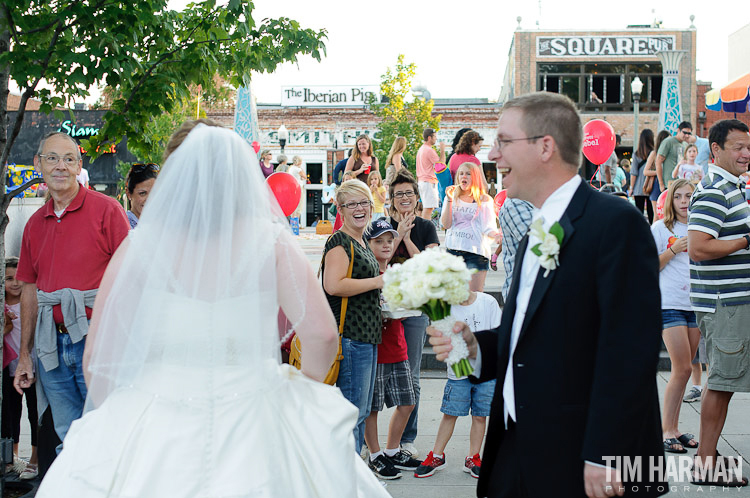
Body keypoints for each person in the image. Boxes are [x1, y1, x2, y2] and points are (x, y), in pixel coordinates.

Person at [35, 120, 390, 497]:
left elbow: (97, 357)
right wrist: (300, 398)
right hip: (254, 414)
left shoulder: (139, 248)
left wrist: (120, 420)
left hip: (158, 417)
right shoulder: (271, 242)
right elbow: (321, 335)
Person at [427, 92, 665, 498]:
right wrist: (475, 349)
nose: (494, 157)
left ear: (545, 147)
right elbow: (530, 337)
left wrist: (605, 453)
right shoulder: (537, 231)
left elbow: (631, 350)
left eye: (504, 142)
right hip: (517, 452)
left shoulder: (615, 224)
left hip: (579, 458)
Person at [14, 131, 130, 461]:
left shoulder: (108, 210)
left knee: (106, 434)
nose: (60, 166)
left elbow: (131, 280)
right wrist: (25, 354)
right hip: (52, 345)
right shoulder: (34, 223)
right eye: (52, 158)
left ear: (79, 165)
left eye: (68, 159)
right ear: (38, 164)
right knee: (68, 439)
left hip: (98, 341)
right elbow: (30, 289)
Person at [687, 119, 750, 487]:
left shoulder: (731, 187)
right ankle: (705, 464)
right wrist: (745, 241)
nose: (745, 153)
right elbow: (697, 247)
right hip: (725, 305)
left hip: (730, 303)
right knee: (722, 383)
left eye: (748, 147)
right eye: (738, 147)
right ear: (716, 150)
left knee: (723, 382)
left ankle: (707, 457)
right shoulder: (714, 190)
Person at [323, 179, 383, 455]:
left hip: (366, 336)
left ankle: (354, 477)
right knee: (353, 415)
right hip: (351, 337)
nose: (359, 209)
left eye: (364, 203)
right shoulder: (340, 241)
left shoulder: (359, 239)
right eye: (352, 204)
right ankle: (347, 480)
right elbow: (333, 285)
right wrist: (377, 283)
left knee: (359, 412)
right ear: (341, 209)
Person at [414, 290, 500, 480]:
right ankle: (437, 455)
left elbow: (497, 334)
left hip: (486, 371)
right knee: (450, 413)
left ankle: (473, 457)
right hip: (458, 372)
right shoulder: (445, 308)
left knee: (480, 416)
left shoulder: (488, 302)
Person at [363, 219, 421, 480]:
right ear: (369, 243)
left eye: (389, 240)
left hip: (398, 345)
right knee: (372, 407)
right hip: (375, 349)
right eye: (379, 241)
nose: (385, 245)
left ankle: (392, 450)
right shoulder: (366, 273)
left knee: (408, 402)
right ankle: (374, 455)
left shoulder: (396, 272)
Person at [386, 170, 439, 457]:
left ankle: (407, 438)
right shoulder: (382, 225)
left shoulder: (427, 227)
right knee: (380, 377)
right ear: (392, 200)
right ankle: (377, 444)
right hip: (387, 312)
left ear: (417, 197)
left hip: (416, 310)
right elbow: (380, 260)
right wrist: (396, 234)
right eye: (399, 194)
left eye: (409, 193)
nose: (404, 198)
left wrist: (406, 237)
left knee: (413, 376)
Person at [651, 179, 700, 454]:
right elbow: (646, 265)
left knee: (684, 370)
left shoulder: (702, 227)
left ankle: (674, 428)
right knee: (680, 368)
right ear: (671, 201)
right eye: (678, 196)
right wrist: (672, 250)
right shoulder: (661, 228)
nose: (684, 201)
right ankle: (665, 430)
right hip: (669, 303)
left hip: (695, 303)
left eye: (689, 196)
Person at [2, 258, 38, 480]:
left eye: (19, 278)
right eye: (8, 278)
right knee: (10, 414)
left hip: (33, 368)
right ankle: (12, 458)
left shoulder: (32, 304)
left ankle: (35, 458)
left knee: (35, 413)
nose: (15, 283)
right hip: (9, 369)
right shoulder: (3, 308)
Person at [440, 162, 500, 292]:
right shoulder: (451, 197)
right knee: (454, 297)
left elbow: (488, 227)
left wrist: (496, 236)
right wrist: (449, 200)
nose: (464, 176)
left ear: (475, 177)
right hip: (453, 252)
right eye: (461, 173)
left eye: (468, 173)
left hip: (475, 254)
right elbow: (446, 224)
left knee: (474, 298)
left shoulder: (484, 200)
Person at [415, 128, 446, 220]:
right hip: (429, 182)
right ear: (429, 137)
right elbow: (441, 166)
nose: (436, 139)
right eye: (435, 137)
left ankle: (423, 229)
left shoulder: (421, 149)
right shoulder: (429, 150)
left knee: (426, 207)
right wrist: (442, 150)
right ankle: (425, 230)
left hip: (422, 181)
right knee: (428, 208)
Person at [656, 121, 692, 192]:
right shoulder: (668, 142)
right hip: (669, 183)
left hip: (682, 183)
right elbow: (658, 162)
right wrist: (661, 183)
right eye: (684, 133)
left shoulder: (685, 144)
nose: (687, 135)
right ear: (678, 130)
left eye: (689, 133)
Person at [629, 129, 655, 224]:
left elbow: (633, 173)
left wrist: (631, 188)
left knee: (639, 213)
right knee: (652, 213)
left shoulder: (636, 154)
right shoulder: (655, 153)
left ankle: (639, 232)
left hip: (638, 188)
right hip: (651, 186)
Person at [645, 130, 672, 217]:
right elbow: (645, 171)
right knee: (657, 214)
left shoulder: (671, 154)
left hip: (669, 183)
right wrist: (658, 172)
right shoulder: (654, 153)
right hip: (656, 184)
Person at [125, 162, 158, 229]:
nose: (149, 199)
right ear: (128, 194)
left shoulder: (158, 225)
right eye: (142, 193)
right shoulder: (124, 225)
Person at [288, 155, 307, 221]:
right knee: (299, 205)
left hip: (292, 188)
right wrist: (301, 169)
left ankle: (292, 221)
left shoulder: (290, 168)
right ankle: (296, 222)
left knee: (293, 205)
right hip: (299, 187)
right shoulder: (298, 169)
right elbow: (305, 177)